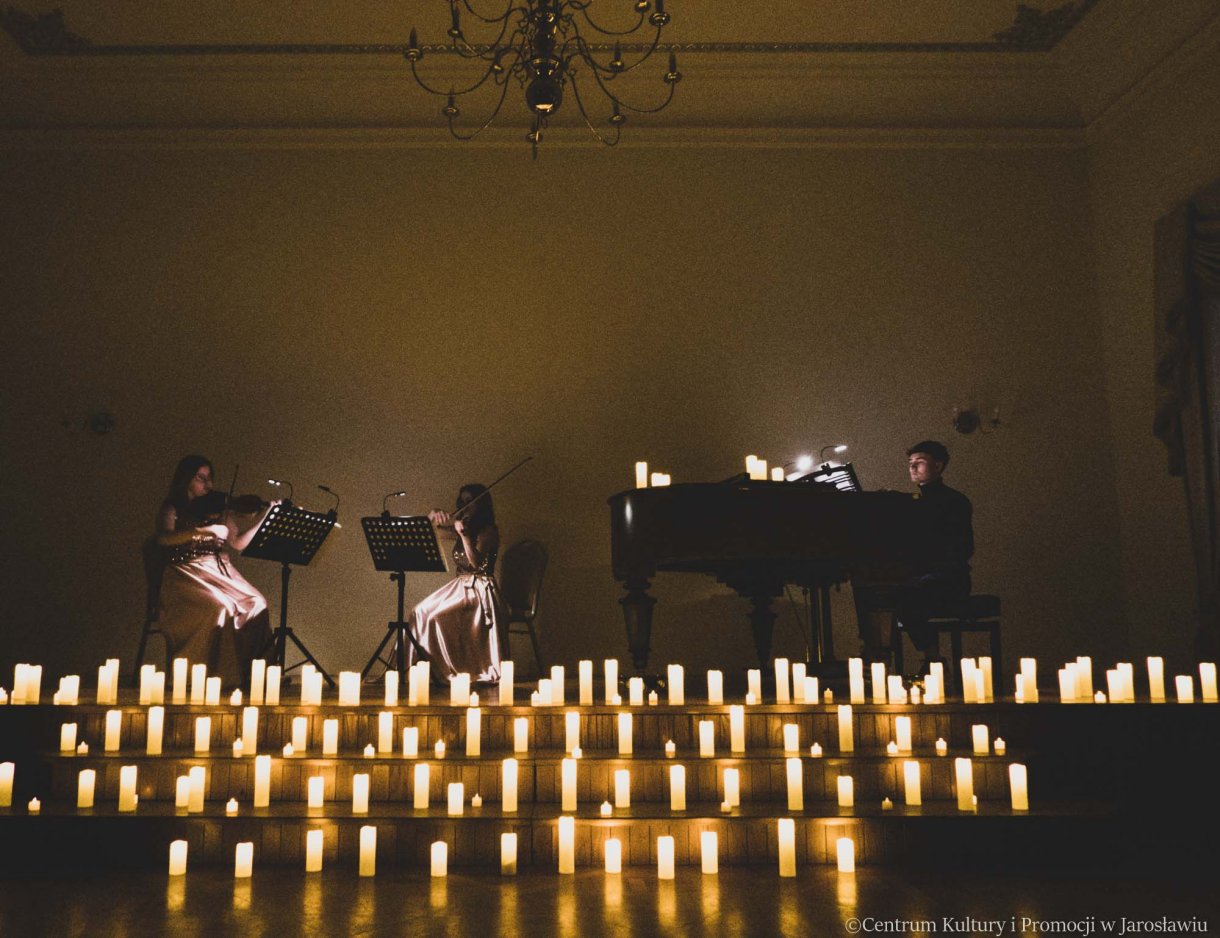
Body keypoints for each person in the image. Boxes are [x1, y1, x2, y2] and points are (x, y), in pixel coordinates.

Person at [154, 455, 273, 688]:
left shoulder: (219, 508)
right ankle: (219, 677)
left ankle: (251, 674)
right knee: (222, 608)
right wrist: (203, 531)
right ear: (186, 479)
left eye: (210, 479)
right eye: (201, 478)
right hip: (185, 574)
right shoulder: (172, 507)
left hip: (219, 570)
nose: (208, 485)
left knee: (257, 603)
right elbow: (164, 538)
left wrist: (265, 518)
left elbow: (238, 543)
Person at [854, 440, 974, 668]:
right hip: (923, 574)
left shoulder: (955, 501)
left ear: (938, 466)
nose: (912, 468)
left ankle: (932, 658)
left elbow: (962, 548)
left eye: (919, 463)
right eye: (910, 463)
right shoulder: (914, 502)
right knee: (865, 588)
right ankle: (875, 652)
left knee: (906, 596)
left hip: (950, 578)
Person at [407, 483, 506, 684]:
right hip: (460, 586)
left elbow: (476, 563)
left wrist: (464, 536)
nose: (464, 505)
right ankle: (422, 672)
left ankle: (446, 670)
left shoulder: (488, 531)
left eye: (470, 501)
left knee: (434, 617)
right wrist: (431, 517)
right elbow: (433, 532)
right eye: (462, 501)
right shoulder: (463, 527)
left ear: (481, 505)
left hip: (480, 591)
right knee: (419, 612)